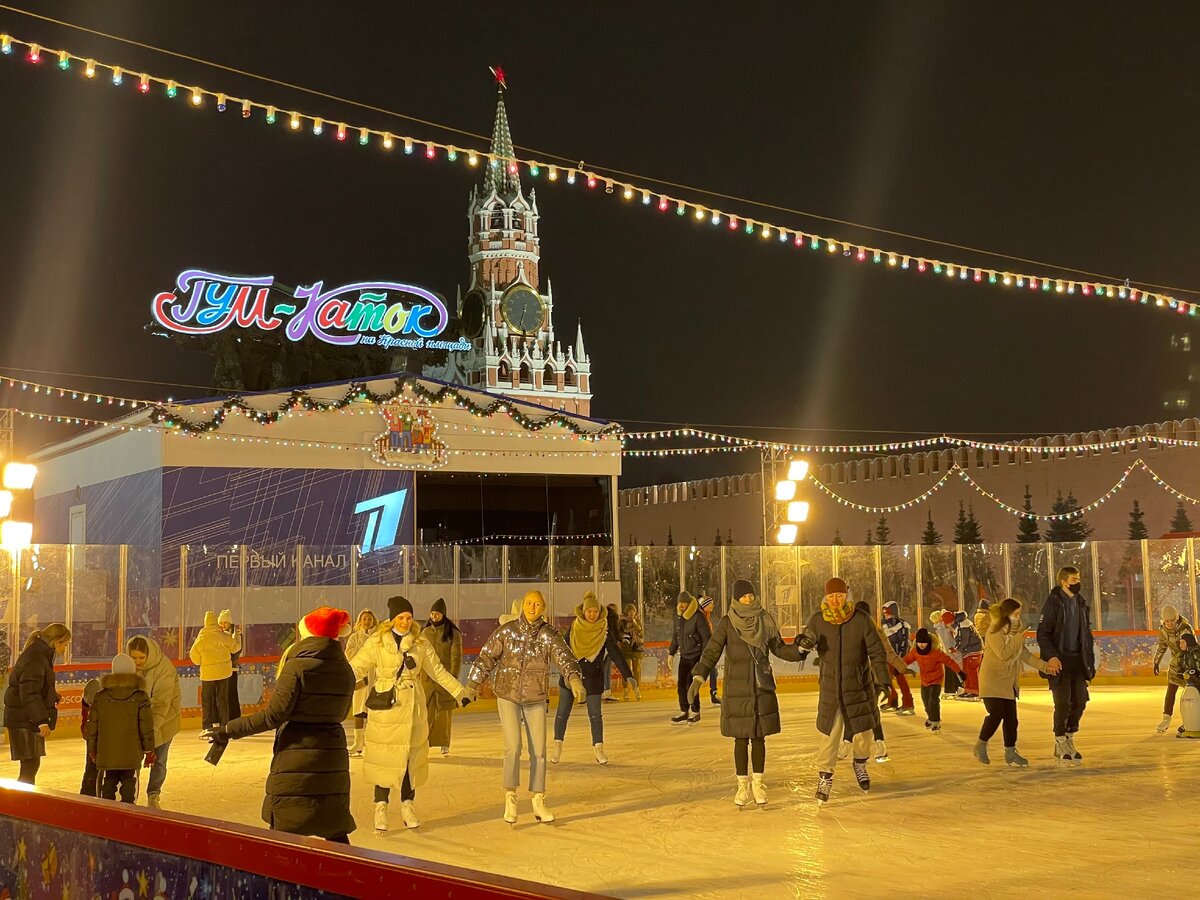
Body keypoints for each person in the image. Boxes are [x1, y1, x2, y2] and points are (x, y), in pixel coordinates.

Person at [206, 607, 358, 843]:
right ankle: (344, 879)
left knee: (284, 837)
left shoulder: (297, 666)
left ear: (306, 633)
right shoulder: (345, 669)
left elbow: (273, 715)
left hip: (296, 756)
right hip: (332, 757)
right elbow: (338, 711)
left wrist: (228, 730)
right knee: (335, 830)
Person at [351, 596, 469, 834]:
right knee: (383, 758)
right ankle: (380, 807)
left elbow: (437, 671)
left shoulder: (420, 642)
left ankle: (407, 804)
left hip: (412, 708)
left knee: (409, 757)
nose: (405, 622)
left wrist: (459, 691)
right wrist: (331, 681)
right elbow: (356, 666)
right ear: (392, 618)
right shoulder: (377, 641)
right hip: (386, 707)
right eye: (401, 617)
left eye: (409, 617)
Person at [466, 590, 584, 825]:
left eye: (537, 604)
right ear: (523, 606)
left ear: (543, 608)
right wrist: (473, 683)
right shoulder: (507, 631)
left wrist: (574, 679)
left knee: (539, 751)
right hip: (507, 695)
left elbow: (564, 656)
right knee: (513, 747)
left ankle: (538, 799)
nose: (532, 607)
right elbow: (487, 656)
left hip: (535, 697)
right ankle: (510, 797)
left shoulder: (548, 635)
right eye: (529, 603)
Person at [690, 578, 804, 807]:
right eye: (744, 596)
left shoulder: (765, 619)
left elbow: (779, 648)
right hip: (737, 689)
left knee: (759, 737)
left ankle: (758, 785)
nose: (748, 600)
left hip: (760, 686)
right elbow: (712, 651)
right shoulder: (727, 623)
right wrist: (699, 675)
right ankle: (742, 787)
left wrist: (800, 650)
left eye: (751, 596)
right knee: (740, 739)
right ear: (736, 598)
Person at [798, 579, 890, 805]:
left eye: (839, 595)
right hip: (831, 689)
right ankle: (825, 777)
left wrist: (884, 682)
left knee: (863, 734)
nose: (835, 600)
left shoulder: (861, 620)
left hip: (859, 687)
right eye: (831, 596)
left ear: (846, 595)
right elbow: (807, 641)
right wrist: (801, 644)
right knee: (830, 735)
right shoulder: (818, 620)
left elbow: (877, 653)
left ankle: (860, 764)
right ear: (825, 597)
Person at [552, 592, 639, 766]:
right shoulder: (574, 628)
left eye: (595, 611)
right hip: (572, 677)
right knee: (562, 714)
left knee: (595, 715)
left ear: (599, 612)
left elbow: (616, 654)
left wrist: (628, 675)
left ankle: (598, 748)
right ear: (583, 612)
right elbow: (561, 652)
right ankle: (557, 746)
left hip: (593, 678)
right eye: (589, 611)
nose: (592, 615)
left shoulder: (604, 631)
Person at [974, 598, 1058, 767]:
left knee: (1012, 719)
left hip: (1009, 681)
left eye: (1020, 614)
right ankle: (980, 744)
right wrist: (1018, 638)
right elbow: (1003, 654)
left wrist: (1045, 666)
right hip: (992, 679)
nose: (1018, 617)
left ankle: (1010, 752)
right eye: (1015, 614)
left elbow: (1024, 655)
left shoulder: (1016, 633)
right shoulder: (994, 631)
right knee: (996, 714)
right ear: (1006, 614)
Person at [1037, 566, 1096, 765]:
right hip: (1059, 661)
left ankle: (1070, 737)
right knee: (1062, 703)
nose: (1077, 582)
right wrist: (1052, 657)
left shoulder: (1080, 603)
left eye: (1078, 578)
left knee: (1080, 700)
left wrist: (1089, 661)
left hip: (1078, 661)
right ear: (1063, 581)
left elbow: (1086, 635)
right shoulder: (1053, 603)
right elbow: (1043, 633)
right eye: (1073, 579)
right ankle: (1060, 741)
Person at [3, 624, 71, 784]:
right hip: (24, 719)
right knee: (29, 766)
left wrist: (51, 695)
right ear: (56, 642)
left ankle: (21, 803)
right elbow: (29, 692)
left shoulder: (40, 655)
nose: (66, 649)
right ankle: (20, 805)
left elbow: (33, 685)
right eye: (65, 644)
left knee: (30, 765)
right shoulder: (36, 658)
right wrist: (41, 721)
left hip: (24, 717)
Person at [85, 653, 155, 803]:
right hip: (132, 750)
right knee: (129, 779)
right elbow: (146, 726)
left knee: (109, 780)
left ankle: (108, 810)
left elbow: (92, 726)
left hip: (107, 750)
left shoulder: (100, 697)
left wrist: (92, 748)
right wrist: (149, 749)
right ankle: (129, 809)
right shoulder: (141, 697)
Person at [126, 636, 181, 809]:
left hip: (164, 721)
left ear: (149, 655)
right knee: (132, 759)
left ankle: (153, 794)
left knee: (159, 760)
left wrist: (150, 731)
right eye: (134, 658)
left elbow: (161, 704)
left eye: (141, 658)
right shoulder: (129, 668)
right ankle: (129, 793)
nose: (138, 662)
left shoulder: (164, 669)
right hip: (139, 724)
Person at [189, 611, 242, 732]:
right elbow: (236, 648)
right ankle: (224, 725)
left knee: (207, 700)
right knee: (222, 699)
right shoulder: (224, 636)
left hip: (207, 675)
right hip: (224, 673)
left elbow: (194, 656)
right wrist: (236, 637)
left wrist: (201, 662)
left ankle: (207, 726)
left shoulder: (201, 639)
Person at [423, 598, 463, 758]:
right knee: (426, 713)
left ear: (443, 615)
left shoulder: (453, 633)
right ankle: (424, 742)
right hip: (427, 680)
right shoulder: (425, 632)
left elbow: (456, 656)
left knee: (444, 714)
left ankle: (444, 744)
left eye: (437, 613)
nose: (434, 616)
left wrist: (452, 678)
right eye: (432, 613)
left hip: (444, 678)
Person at [904, 627, 962, 733]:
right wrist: (897, 668)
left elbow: (949, 662)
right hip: (924, 680)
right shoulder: (915, 652)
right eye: (919, 643)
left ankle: (935, 722)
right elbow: (906, 660)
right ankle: (931, 718)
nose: (921, 645)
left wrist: (960, 672)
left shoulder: (936, 652)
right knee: (925, 701)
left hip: (936, 679)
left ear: (929, 642)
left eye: (924, 643)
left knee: (933, 701)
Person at [668, 591, 711, 725]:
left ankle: (695, 711)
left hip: (696, 655)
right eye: (679, 603)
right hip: (684, 656)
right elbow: (676, 636)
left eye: (683, 603)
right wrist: (671, 652)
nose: (680, 605)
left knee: (690, 684)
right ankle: (684, 710)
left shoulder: (698, 617)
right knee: (681, 684)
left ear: (689, 603)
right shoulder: (680, 618)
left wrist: (704, 657)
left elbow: (706, 638)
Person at [1153, 605, 1194, 733]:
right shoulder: (1163, 630)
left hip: (1188, 664)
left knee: (1192, 693)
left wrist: (1192, 665)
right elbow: (1162, 646)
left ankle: (1191, 720)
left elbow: (1193, 646)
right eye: (1167, 621)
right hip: (1175, 665)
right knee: (1170, 692)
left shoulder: (1185, 628)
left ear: (1176, 619)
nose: (1169, 623)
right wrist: (1156, 662)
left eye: (1172, 620)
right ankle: (1166, 718)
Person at [344, 609, 378, 758]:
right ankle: (358, 743)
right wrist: (362, 649)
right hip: (360, 679)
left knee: (373, 713)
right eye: (364, 619)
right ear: (359, 621)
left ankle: (371, 744)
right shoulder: (354, 637)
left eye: (369, 619)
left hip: (375, 679)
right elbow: (349, 654)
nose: (367, 622)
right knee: (359, 712)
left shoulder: (378, 637)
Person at [880, 601, 915, 715]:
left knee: (901, 680)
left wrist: (900, 658)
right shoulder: (883, 625)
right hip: (888, 658)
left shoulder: (902, 625)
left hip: (898, 658)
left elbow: (904, 642)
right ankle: (892, 700)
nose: (886, 615)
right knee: (887, 680)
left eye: (888, 612)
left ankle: (908, 703)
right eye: (885, 613)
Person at [945, 610, 984, 701]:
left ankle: (975, 691)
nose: (946, 626)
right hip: (967, 651)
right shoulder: (958, 625)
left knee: (972, 671)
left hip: (974, 650)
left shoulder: (964, 625)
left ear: (951, 621)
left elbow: (964, 641)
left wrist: (956, 648)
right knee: (966, 671)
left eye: (947, 623)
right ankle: (968, 690)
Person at [930, 610, 964, 697]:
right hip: (950, 652)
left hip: (946, 652)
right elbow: (947, 641)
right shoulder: (942, 628)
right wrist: (951, 650)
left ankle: (951, 689)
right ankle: (956, 687)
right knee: (954, 669)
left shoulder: (941, 627)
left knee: (950, 670)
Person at [78, 676, 102, 796]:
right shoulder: (86, 705)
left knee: (94, 769)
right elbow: (85, 722)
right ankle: (87, 794)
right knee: (91, 769)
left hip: (101, 738)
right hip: (92, 738)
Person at [217, 610, 242, 721]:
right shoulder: (218, 635)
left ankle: (234, 717)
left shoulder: (235, 634)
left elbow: (237, 650)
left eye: (225, 623)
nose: (223, 625)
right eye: (221, 623)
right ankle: (224, 718)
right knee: (223, 694)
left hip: (232, 669)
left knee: (231, 693)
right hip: (222, 669)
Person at [618, 604, 645, 701]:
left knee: (637, 669)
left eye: (633, 611)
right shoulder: (622, 622)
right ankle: (626, 689)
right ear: (626, 612)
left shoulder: (637, 621)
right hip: (626, 648)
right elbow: (621, 633)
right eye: (630, 611)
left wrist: (636, 626)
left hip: (637, 647)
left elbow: (641, 634)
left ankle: (637, 689)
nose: (632, 613)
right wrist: (629, 629)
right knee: (627, 669)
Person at [698, 596, 721, 705]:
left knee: (713, 671)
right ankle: (692, 694)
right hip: (702, 651)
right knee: (701, 673)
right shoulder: (701, 619)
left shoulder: (706, 618)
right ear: (704, 606)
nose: (712, 606)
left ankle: (714, 693)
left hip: (707, 650)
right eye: (710, 604)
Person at [601, 603, 621, 701]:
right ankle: (607, 691)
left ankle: (602, 691)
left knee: (602, 669)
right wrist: (619, 640)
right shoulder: (614, 617)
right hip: (610, 646)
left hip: (601, 647)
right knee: (607, 669)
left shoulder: (603, 618)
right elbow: (615, 632)